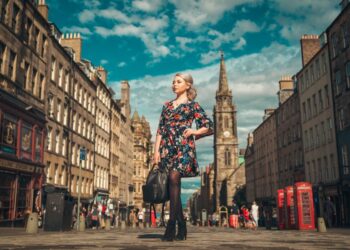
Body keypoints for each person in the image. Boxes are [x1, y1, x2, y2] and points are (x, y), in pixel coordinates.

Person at [153, 73, 214, 241]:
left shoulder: (193, 106)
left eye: (178, 82)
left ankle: (171, 224)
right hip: (167, 149)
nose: (174, 84)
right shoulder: (167, 106)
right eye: (173, 82)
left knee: (174, 177)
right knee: (173, 185)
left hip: (184, 149)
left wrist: (194, 131)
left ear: (187, 85)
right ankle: (182, 224)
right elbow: (160, 130)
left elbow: (209, 126)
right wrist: (156, 152)